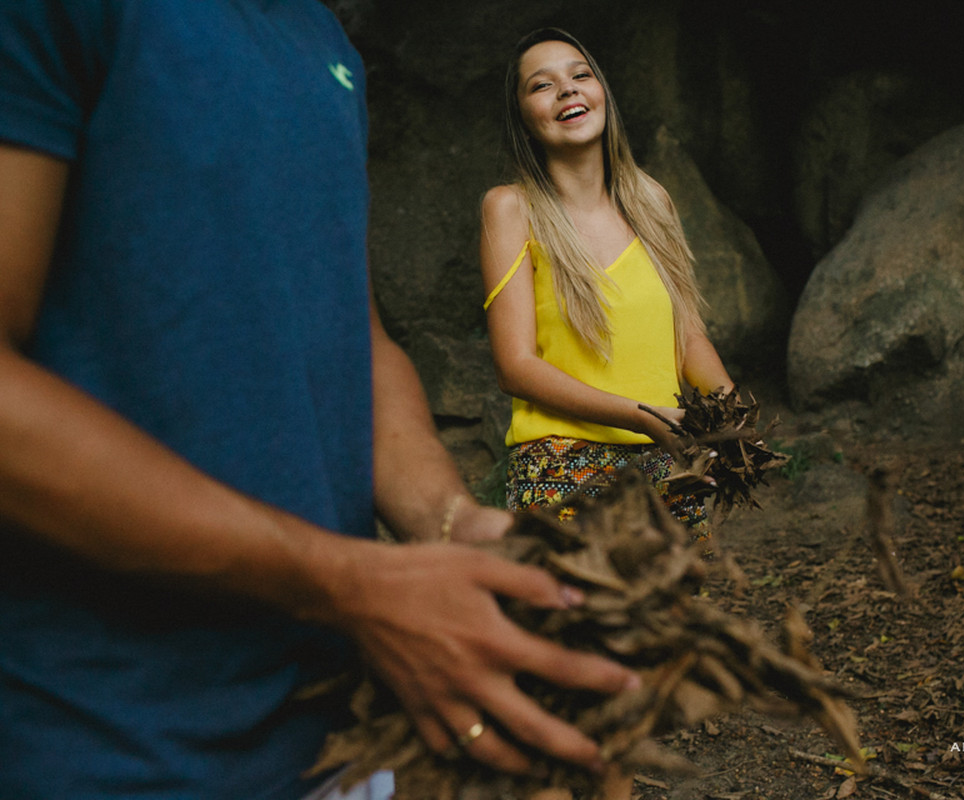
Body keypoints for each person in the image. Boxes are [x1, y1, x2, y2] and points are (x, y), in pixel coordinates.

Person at [0, 4, 639, 799]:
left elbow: (351, 338)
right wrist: (349, 583)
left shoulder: (320, 39)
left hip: (337, 730)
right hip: (106, 745)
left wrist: (451, 520)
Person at [480, 28, 734, 538]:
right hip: (561, 470)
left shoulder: (652, 201)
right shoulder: (511, 208)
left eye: (580, 75)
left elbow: (687, 337)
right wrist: (642, 416)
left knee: (679, 618)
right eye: (542, 85)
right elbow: (516, 367)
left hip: (668, 467)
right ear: (524, 121)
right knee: (587, 618)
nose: (567, 90)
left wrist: (734, 420)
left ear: (603, 95)